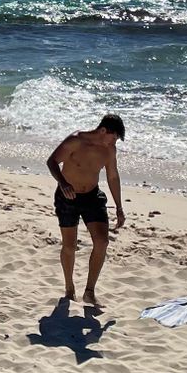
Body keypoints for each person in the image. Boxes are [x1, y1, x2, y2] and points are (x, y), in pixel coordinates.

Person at [47, 113, 125, 308]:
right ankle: (69, 288)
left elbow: (113, 177)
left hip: (92, 196)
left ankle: (89, 292)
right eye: (113, 137)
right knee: (70, 246)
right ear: (103, 130)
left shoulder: (109, 151)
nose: (113, 142)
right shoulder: (76, 141)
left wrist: (119, 207)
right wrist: (63, 183)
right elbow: (52, 161)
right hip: (68, 196)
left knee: (102, 241)